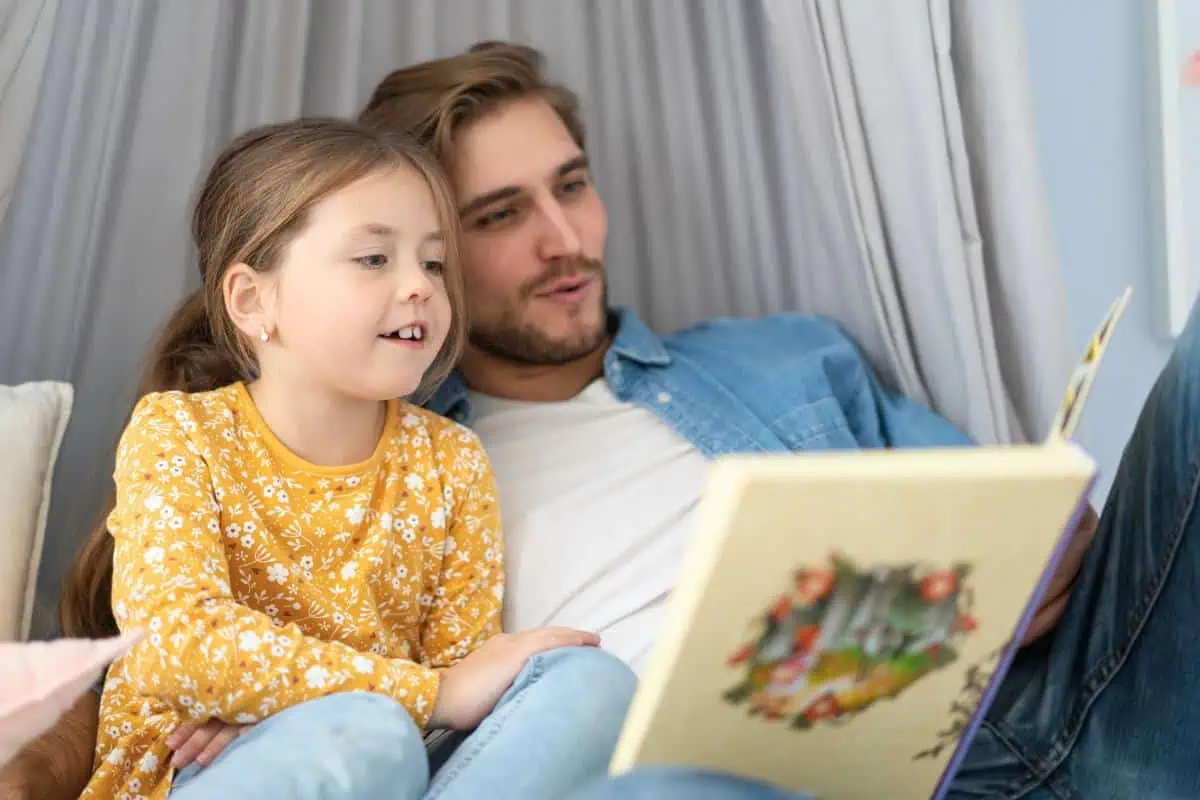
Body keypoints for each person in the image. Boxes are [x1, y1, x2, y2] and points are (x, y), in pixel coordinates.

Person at [4, 40, 1198, 800]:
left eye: (572, 185)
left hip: (1032, 704)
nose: (564, 237)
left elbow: (1008, 504)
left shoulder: (789, 356)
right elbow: (204, 655)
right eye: (501, 213)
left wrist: (1047, 528)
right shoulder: (371, 442)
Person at [21, 117, 636, 800]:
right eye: (374, 259)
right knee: (365, 730)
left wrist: (287, 698)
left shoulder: (451, 462)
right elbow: (179, 648)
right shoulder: (179, 434)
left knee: (592, 684)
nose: (420, 287)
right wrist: (361, 704)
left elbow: (468, 694)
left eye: (433, 262)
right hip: (201, 774)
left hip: (393, 762)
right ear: (255, 301)